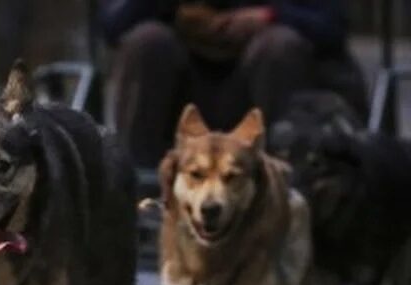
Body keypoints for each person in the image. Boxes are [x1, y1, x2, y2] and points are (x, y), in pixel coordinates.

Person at [101, 0, 367, 167]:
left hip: (268, 90)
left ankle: (286, 187)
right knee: (147, 42)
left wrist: (269, 16)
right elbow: (114, 25)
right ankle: (139, 192)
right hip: (181, 96)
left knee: (278, 46)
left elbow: (331, 27)